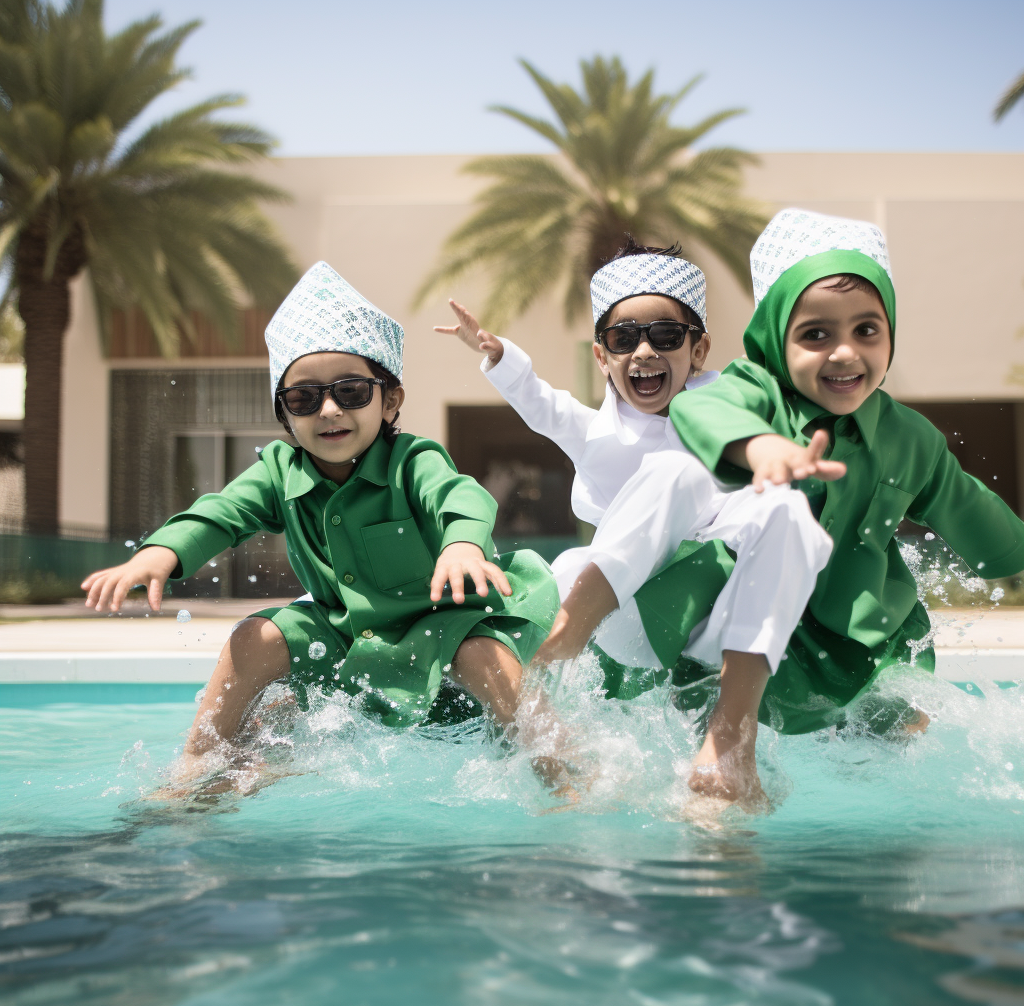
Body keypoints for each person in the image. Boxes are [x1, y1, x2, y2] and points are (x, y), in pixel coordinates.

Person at [82, 262, 564, 793]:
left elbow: (459, 493)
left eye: (352, 392)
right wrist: (160, 554)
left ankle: (561, 772)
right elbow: (223, 511)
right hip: (346, 633)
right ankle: (198, 763)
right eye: (304, 398)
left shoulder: (411, 461)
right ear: (286, 417)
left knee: (483, 658)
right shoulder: (278, 472)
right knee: (256, 636)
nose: (329, 409)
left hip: (449, 623)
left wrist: (463, 544)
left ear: (391, 401)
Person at [437, 240, 832, 806]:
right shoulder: (597, 431)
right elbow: (541, 403)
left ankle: (723, 776)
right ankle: (551, 703)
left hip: (717, 606)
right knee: (573, 564)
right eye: (625, 339)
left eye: (665, 336)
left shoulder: (734, 406)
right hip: (623, 609)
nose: (644, 351)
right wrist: (500, 357)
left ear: (698, 350)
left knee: (776, 509)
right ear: (603, 357)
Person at [661, 207, 1024, 737]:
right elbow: (700, 408)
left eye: (867, 329)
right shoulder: (758, 394)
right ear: (774, 340)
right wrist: (758, 445)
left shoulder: (911, 439)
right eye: (815, 334)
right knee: (703, 725)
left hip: (870, 646)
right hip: (753, 631)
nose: (846, 351)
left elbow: (977, 517)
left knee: (899, 751)